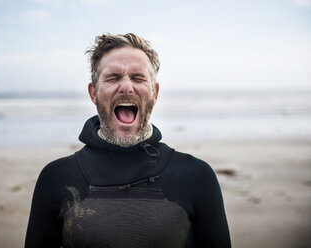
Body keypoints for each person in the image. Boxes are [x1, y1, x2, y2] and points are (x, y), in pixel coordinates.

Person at [25, 33, 231, 248]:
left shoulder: (197, 176)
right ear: (93, 93)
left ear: (155, 92)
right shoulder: (56, 177)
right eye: (113, 77)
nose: (126, 86)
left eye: (138, 77)